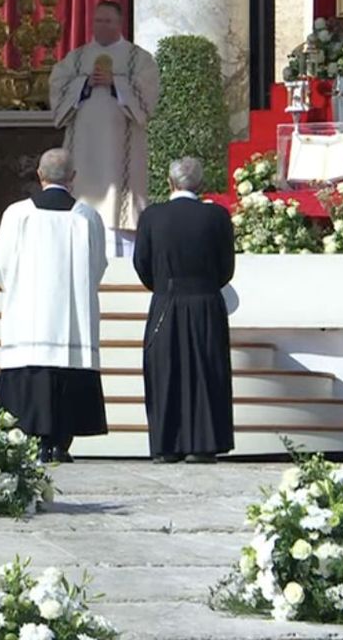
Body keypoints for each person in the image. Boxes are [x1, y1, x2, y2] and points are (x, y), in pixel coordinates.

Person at [0, 148, 109, 463]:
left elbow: (0, 264)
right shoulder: (87, 217)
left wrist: (17, 290)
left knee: (33, 372)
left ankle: (32, 441)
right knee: (66, 373)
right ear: (72, 178)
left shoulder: (17, 215)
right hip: (73, 318)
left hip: (29, 319)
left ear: (39, 175)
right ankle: (60, 444)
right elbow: (98, 266)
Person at [133, 157, 235, 464]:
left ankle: (168, 445)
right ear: (200, 185)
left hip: (166, 300)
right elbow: (226, 267)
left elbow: (142, 263)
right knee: (206, 370)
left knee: (167, 371)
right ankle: (204, 444)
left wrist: (164, 286)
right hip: (205, 300)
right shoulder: (217, 216)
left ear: (169, 182)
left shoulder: (152, 216)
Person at [48, 0, 160, 257]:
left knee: (118, 207)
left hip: (121, 151)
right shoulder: (76, 59)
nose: (102, 25)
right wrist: (83, 85)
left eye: (108, 21)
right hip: (83, 150)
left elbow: (147, 100)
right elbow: (58, 88)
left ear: (120, 24)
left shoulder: (139, 59)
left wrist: (116, 84)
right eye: (98, 20)